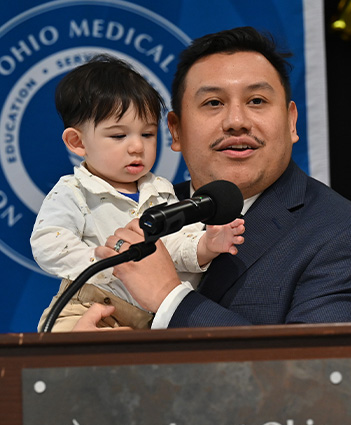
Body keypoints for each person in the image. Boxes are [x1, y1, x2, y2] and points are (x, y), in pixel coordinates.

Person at [92, 26, 351, 328]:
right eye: (213, 103)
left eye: (257, 101)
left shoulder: (346, 235)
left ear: (291, 122)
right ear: (175, 130)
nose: (236, 122)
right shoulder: (138, 211)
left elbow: (317, 371)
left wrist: (168, 297)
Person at [31, 54, 244, 332]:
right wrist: (100, 262)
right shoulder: (74, 190)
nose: (136, 147)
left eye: (147, 134)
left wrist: (205, 246)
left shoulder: (160, 190)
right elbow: (47, 243)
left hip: (145, 320)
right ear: (77, 142)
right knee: (62, 357)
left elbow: (173, 248)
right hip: (87, 304)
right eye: (119, 136)